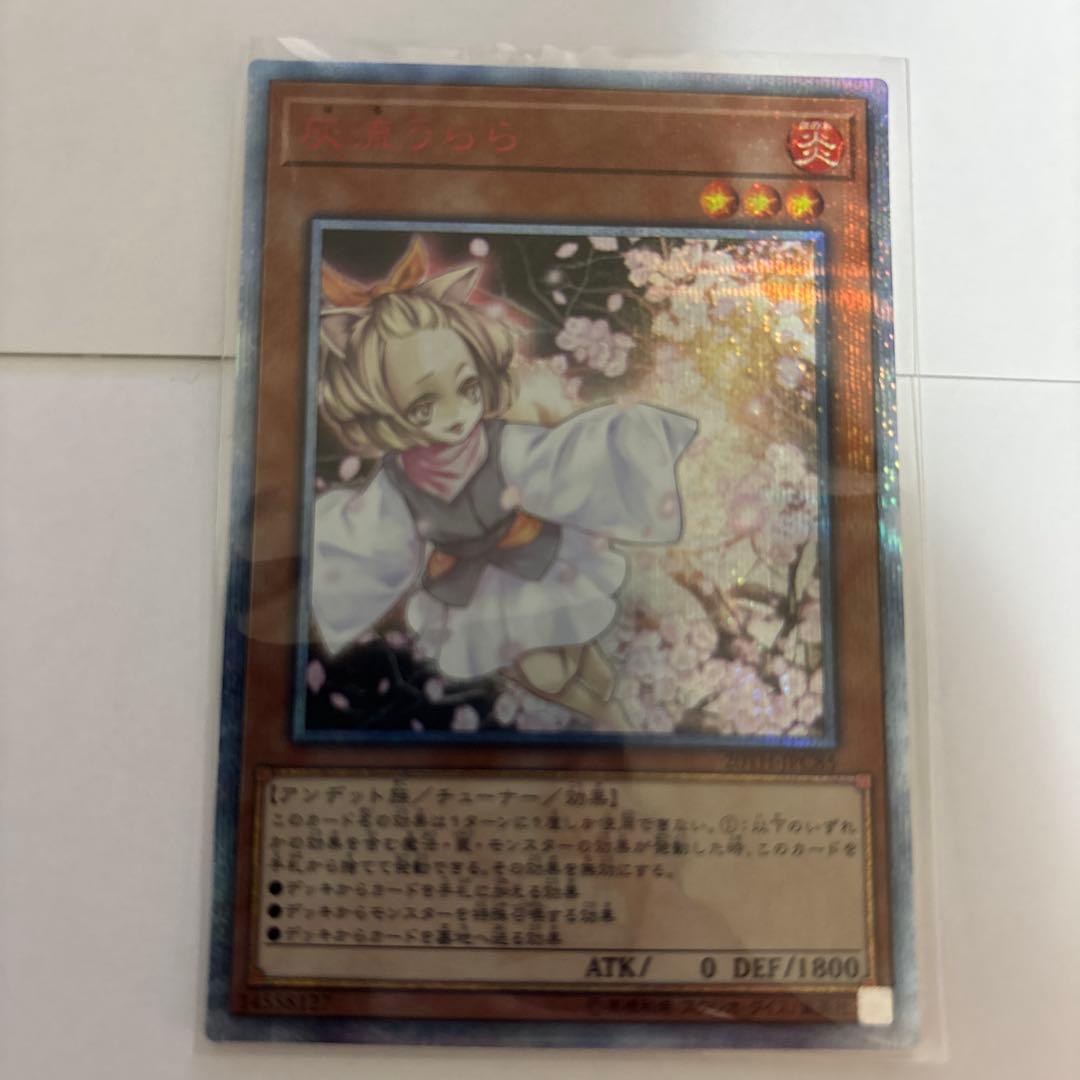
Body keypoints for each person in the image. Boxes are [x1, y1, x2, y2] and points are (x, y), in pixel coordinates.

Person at [312, 237, 696, 730]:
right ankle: (608, 716)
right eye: (423, 408)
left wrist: (627, 442)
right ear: (381, 411)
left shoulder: (501, 443)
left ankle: (608, 704)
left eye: (467, 387)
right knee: (544, 671)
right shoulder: (396, 482)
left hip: (537, 557)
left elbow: (560, 464)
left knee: (580, 656)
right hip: (472, 592)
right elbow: (371, 540)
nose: (456, 414)